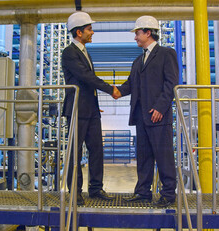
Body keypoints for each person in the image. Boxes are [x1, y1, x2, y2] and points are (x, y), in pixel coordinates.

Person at [114, 16, 178, 207]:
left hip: (158, 115)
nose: (135, 37)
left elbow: (171, 83)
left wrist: (160, 107)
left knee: (163, 155)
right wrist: (114, 91)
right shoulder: (137, 61)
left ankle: (168, 194)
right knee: (143, 156)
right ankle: (143, 192)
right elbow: (130, 85)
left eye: (137, 33)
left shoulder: (167, 54)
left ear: (148, 32)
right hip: (141, 117)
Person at [62, 11, 121, 205]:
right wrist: (110, 89)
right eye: (89, 29)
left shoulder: (85, 52)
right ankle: (75, 192)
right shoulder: (69, 52)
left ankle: (95, 189)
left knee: (97, 150)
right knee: (75, 153)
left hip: (91, 111)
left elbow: (87, 84)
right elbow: (86, 77)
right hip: (77, 110)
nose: (92, 32)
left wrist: (95, 106)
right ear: (79, 32)